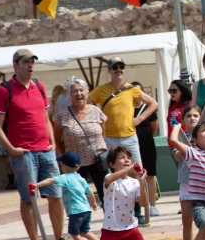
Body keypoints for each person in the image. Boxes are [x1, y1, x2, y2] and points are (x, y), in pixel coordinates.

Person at [0, 49, 77, 240]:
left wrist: (52, 144)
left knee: (56, 195)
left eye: (32, 62)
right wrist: (11, 150)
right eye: (25, 62)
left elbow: (47, 118)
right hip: (23, 153)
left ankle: (58, 239)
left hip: (45, 151)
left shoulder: (40, 86)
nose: (30, 66)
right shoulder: (5, 90)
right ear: (15, 65)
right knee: (28, 198)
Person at [75, 146, 163, 240]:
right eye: (122, 158)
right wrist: (129, 169)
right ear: (112, 164)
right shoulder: (110, 180)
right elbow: (109, 180)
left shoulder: (134, 183)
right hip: (111, 229)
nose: (127, 160)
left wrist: (141, 182)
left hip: (130, 228)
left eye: (128, 157)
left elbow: (143, 203)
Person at [88, 57, 158, 225]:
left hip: (130, 137)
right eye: (115, 67)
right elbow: (86, 105)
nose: (118, 69)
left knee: (136, 172)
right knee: (113, 174)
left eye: (121, 67)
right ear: (109, 71)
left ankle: (138, 211)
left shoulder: (131, 89)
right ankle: (115, 209)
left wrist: (140, 118)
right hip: (110, 138)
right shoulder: (100, 90)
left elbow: (153, 103)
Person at [170, 104, 205, 240]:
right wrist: (188, 146)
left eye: (195, 116)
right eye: (188, 116)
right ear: (183, 120)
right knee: (187, 220)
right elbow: (176, 155)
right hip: (186, 182)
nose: (192, 118)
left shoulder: (204, 137)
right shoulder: (183, 137)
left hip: (203, 183)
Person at [31, 151, 100, 240]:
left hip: (75, 211)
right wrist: (93, 202)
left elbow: (51, 180)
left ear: (64, 166)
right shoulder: (80, 178)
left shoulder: (66, 178)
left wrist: (37, 185)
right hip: (86, 210)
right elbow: (90, 191)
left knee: (74, 232)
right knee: (84, 231)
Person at [53, 77, 108, 206]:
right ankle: (82, 225)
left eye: (81, 90)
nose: (78, 94)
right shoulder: (62, 115)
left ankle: (111, 224)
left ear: (87, 92)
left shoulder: (96, 111)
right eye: (74, 91)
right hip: (76, 165)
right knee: (78, 198)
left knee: (106, 194)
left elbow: (103, 134)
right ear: (70, 95)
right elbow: (56, 139)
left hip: (98, 161)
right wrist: (66, 157)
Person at [132, 82, 159, 217]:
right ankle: (136, 208)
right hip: (131, 145)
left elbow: (154, 127)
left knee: (149, 176)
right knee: (134, 176)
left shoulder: (148, 108)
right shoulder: (128, 108)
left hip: (147, 143)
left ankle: (152, 205)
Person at [166, 79, 192, 148]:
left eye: (174, 91)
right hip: (172, 143)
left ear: (182, 90)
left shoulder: (189, 104)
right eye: (170, 91)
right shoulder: (172, 105)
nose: (171, 93)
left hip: (185, 142)